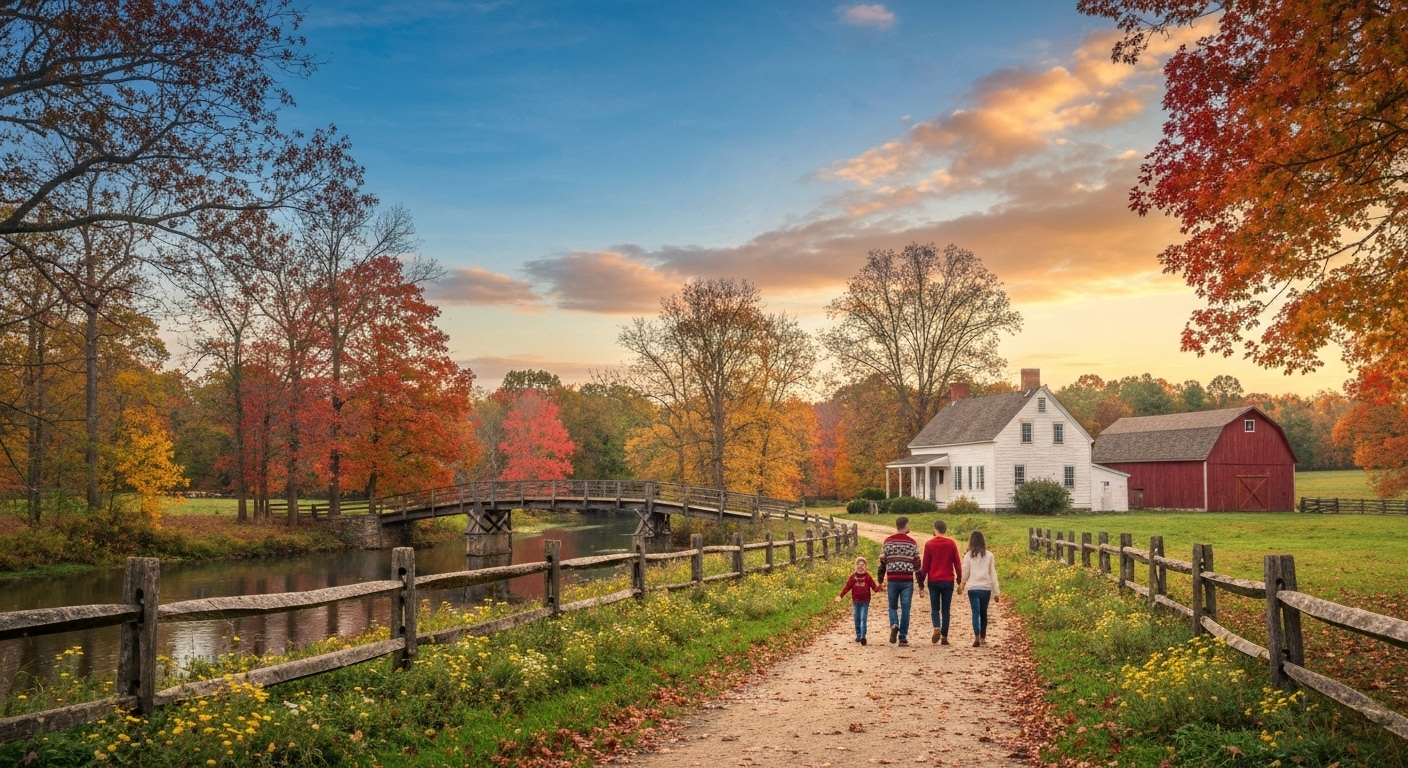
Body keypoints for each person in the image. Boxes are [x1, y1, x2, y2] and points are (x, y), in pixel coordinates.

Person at [878, 516, 922, 646]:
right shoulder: (912, 543)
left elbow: (882, 563)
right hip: (907, 580)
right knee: (906, 608)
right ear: (906, 525)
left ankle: (894, 624)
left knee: (892, 606)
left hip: (892, 578)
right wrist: (921, 585)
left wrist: (880, 581)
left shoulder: (887, 542)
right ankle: (903, 637)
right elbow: (917, 566)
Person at [920, 519, 962, 645]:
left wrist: (921, 581)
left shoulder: (929, 544)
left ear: (935, 529)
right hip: (948, 580)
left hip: (933, 580)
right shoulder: (951, 543)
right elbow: (957, 563)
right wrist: (959, 579)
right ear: (945, 530)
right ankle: (944, 637)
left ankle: (936, 627)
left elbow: (925, 565)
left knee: (935, 608)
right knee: (946, 609)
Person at [958, 530, 1000, 647]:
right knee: (983, 613)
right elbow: (993, 573)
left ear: (971, 541)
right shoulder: (989, 555)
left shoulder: (968, 556)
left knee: (975, 613)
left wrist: (962, 585)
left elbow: (965, 572)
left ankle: (976, 636)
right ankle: (983, 638)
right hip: (985, 588)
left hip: (973, 588)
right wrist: (996, 592)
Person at [836, 556, 880, 645]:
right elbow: (847, 587)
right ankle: (858, 635)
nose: (860, 567)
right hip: (856, 601)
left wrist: (880, 588)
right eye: (859, 565)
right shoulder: (853, 577)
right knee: (857, 618)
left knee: (863, 618)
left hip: (865, 601)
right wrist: (840, 596)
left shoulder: (868, 577)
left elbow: (874, 588)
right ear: (856, 566)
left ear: (866, 566)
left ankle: (863, 636)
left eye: (863, 565)